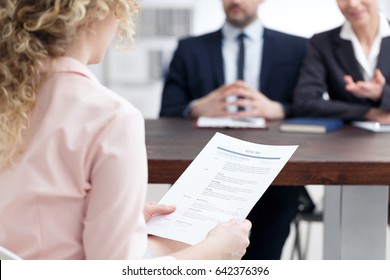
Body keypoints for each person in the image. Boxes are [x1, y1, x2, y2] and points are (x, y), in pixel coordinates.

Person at [0, 0, 251, 260]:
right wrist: (216, 252)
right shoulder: (112, 118)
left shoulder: (10, 98)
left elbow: (35, 212)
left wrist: (122, 217)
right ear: (105, 10)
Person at [160, 0, 308, 259]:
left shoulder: (297, 47)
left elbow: (312, 106)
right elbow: (168, 109)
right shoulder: (189, 48)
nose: (236, 1)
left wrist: (280, 109)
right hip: (203, 165)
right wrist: (197, 106)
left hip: (273, 169)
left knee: (277, 212)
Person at [292, 0, 390, 224]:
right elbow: (305, 101)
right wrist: (366, 112)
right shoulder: (323, 42)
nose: (352, 4)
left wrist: (380, 94)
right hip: (347, 154)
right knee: (354, 223)